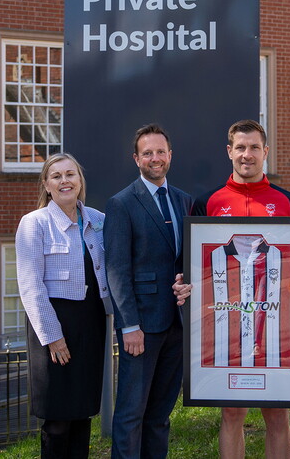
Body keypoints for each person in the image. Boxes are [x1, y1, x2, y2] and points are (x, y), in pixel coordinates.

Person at [189, 119, 290, 459]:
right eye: (240, 147)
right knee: (232, 412)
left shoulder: (288, 202)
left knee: (277, 411)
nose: (247, 154)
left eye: (254, 147)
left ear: (265, 152)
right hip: (227, 323)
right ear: (229, 152)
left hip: (276, 322)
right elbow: (196, 267)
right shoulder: (208, 202)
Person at [105, 124, 193, 459]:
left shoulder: (184, 201)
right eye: (147, 153)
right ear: (136, 159)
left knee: (159, 416)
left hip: (177, 324)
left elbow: (188, 260)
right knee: (130, 415)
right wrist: (129, 326)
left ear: (170, 155)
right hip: (140, 327)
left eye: (160, 152)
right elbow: (117, 270)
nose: (154, 159)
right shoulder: (122, 203)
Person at [15, 152, 110, 459]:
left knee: (82, 413)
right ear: (46, 184)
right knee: (57, 419)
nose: (64, 180)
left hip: (91, 321)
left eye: (71, 174)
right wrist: (53, 336)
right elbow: (31, 286)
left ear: (80, 181)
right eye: (56, 176)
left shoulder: (99, 221)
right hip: (53, 324)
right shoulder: (34, 224)